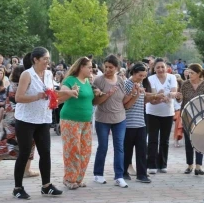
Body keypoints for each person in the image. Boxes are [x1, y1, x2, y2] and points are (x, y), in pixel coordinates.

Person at [12, 47, 75, 200]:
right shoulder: (27, 75)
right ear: (36, 60)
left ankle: (46, 186)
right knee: (25, 153)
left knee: (45, 152)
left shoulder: (48, 74)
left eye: (48, 58)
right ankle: (18, 188)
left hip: (43, 119)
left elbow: (52, 93)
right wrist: (37, 96)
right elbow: (18, 98)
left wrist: (68, 93)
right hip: (26, 119)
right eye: (45, 58)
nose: (48, 61)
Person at [0, 66, 39, 180]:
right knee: (27, 142)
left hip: (8, 118)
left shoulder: (10, 86)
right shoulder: (22, 86)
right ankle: (25, 170)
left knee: (10, 141)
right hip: (19, 118)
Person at [92, 55, 132, 188]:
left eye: (111, 67)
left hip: (120, 118)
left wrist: (134, 93)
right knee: (103, 146)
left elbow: (124, 101)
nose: (108, 69)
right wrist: (108, 93)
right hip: (103, 118)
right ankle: (98, 174)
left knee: (119, 147)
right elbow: (95, 102)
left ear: (117, 68)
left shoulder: (121, 80)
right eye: (106, 66)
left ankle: (119, 176)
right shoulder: (99, 81)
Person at [59, 57, 94, 189]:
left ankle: (78, 179)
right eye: (89, 67)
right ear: (81, 67)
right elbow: (62, 92)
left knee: (85, 150)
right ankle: (69, 179)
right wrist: (70, 91)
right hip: (70, 119)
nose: (91, 69)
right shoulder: (71, 80)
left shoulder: (87, 81)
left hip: (85, 121)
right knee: (72, 150)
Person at [180, 63, 204, 175]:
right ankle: (189, 165)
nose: (189, 74)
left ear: (198, 74)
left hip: (201, 116)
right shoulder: (185, 84)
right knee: (188, 141)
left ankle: (198, 166)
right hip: (187, 115)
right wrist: (177, 97)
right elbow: (181, 99)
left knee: (199, 140)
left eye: (192, 73)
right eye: (188, 72)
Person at [123, 63, 158, 183]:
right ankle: (123, 171)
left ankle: (142, 174)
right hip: (128, 122)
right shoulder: (127, 83)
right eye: (140, 75)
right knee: (127, 149)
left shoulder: (140, 83)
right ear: (133, 73)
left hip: (141, 121)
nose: (142, 77)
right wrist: (135, 93)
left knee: (142, 149)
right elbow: (126, 105)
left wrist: (155, 96)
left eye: (144, 75)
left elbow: (142, 100)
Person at [146, 58, 178, 174]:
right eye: (158, 67)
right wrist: (164, 97)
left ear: (166, 68)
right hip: (153, 113)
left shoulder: (172, 77)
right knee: (153, 139)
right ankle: (151, 164)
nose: (160, 69)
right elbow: (154, 95)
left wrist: (167, 96)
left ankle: (163, 164)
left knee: (165, 140)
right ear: (154, 69)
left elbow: (174, 92)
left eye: (162, 67)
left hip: (168, 113)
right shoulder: (150, 79)